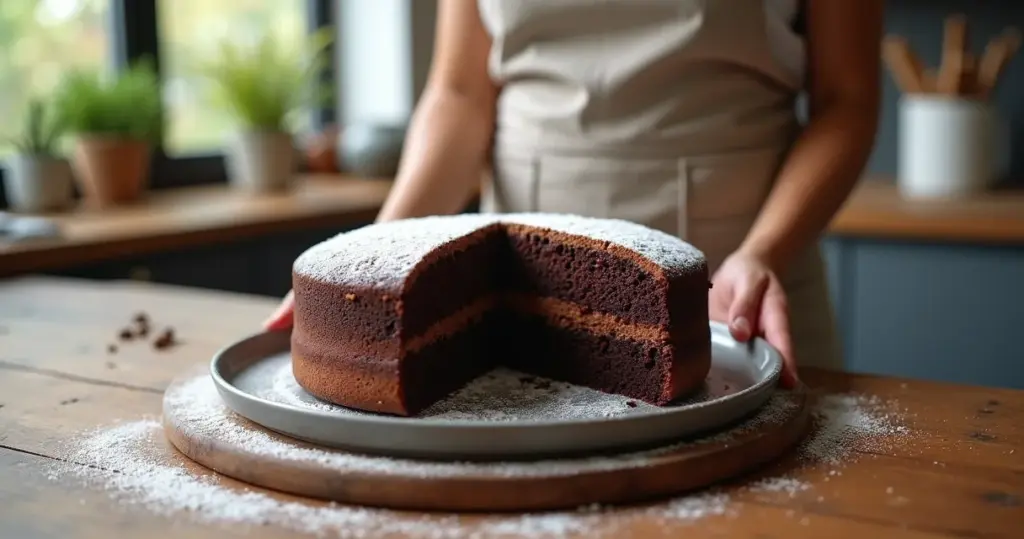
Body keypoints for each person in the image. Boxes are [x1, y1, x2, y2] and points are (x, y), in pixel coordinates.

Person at [265, 0, 883, 389]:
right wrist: (378, 256)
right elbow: (459, 95)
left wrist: (763, 252)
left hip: (741, 281)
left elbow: (846, 101)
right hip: (508, 292)